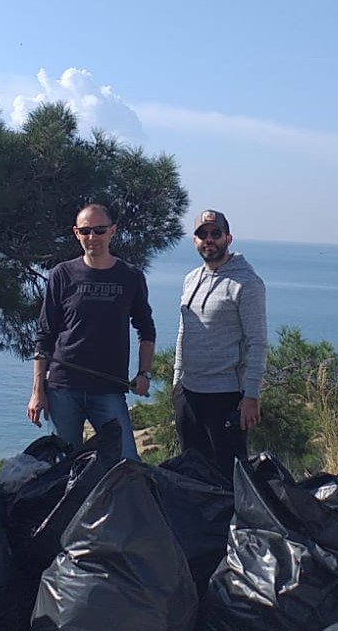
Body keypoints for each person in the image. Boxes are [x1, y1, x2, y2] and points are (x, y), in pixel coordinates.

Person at [28, 203, 156, 461]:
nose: (92, 237)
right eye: (85, 231)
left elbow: (146, 329)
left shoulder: (130, 276)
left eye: (99, 230)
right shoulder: (62, 274)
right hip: (63, 387)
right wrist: (36, 391)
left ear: (112, 231)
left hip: (109, 388)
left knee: (127, 462)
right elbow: (45, 335)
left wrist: (144, 372)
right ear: (76, 233)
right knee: (65, 467)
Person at [172, 209, 268, 477]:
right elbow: (184, 331)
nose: (209, 239)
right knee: (192, 473)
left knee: (227, 476)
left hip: (226, 396)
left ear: (228, 238)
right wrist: (176, 382)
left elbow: (258, 342)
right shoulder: (191, 279)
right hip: (189, 394)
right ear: (195, 241)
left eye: (216, 234)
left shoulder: (247, 283)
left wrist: (251, 395)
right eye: (202, 234)